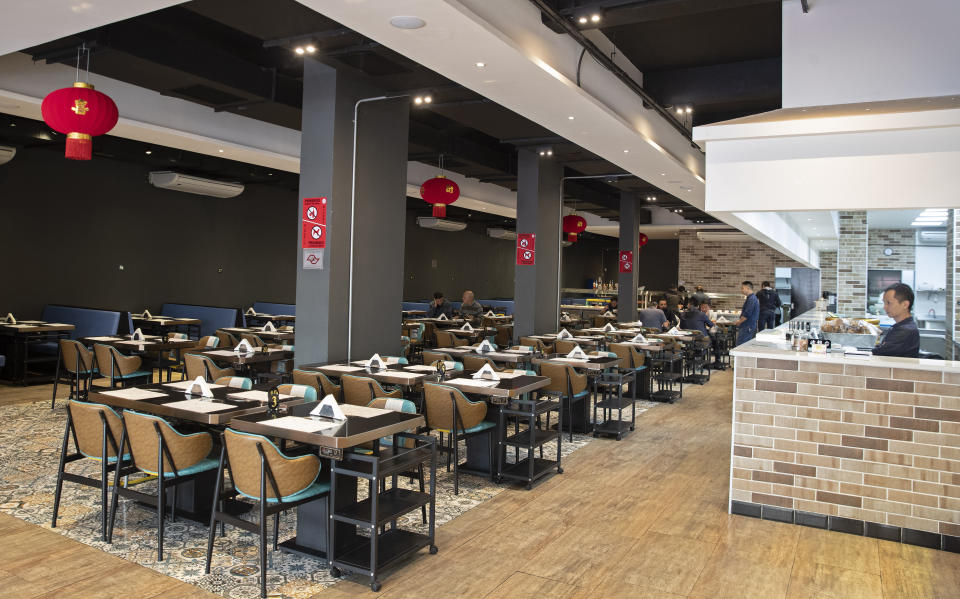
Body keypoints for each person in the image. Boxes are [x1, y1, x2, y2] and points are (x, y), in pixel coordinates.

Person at [873, 283, 920, 358]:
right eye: (884, 303)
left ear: (905, 304)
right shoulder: (901, 326)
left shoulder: (905, 330)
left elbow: (880, 353)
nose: (884, 307)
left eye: (889, 303)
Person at [734, 281, 759, 346]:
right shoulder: (750, 298)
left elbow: (747, 314)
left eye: (742, 288)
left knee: (741, 345)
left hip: (747, 326)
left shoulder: (752, 299)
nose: (741, 290)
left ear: (748, 288)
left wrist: (739, 321)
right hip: (747, 326)